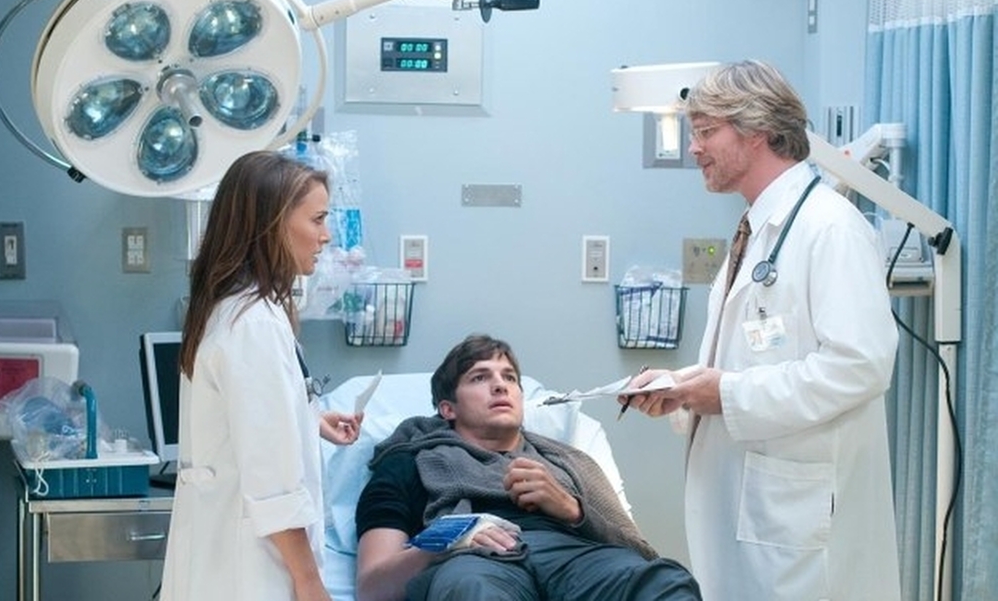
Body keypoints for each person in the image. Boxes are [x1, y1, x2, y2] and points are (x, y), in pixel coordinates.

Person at [621, 60, 902, 600]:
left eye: (706, 131)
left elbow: (860, 366)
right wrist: (683, 389)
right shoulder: (759, 228)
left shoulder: (830, 229)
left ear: (757, 131)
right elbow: (751, 358)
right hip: (757, 511)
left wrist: (724, 394)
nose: (693, 148)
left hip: (798, 524)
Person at [354, 333, 701, 601]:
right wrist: (451, 543)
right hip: (474, 563)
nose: (500, 385)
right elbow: (373, 586)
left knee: (665, 581)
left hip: (573, 558)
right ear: (448, 409)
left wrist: (571, 509)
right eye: (479, 377)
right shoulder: (410, 461)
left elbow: (636, 549)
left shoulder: (567, 461)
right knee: (474, 590)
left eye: (509, 377)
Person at [160, 150, 364, 601]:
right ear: (272, 224)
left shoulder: (230, 308)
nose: (326, 236)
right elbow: (273, 481)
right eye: (317, 219)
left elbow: (246, 423)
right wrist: (309, 581)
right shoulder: (254, 325)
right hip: (252, 569)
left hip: (221, 556)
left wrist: (309, 420)